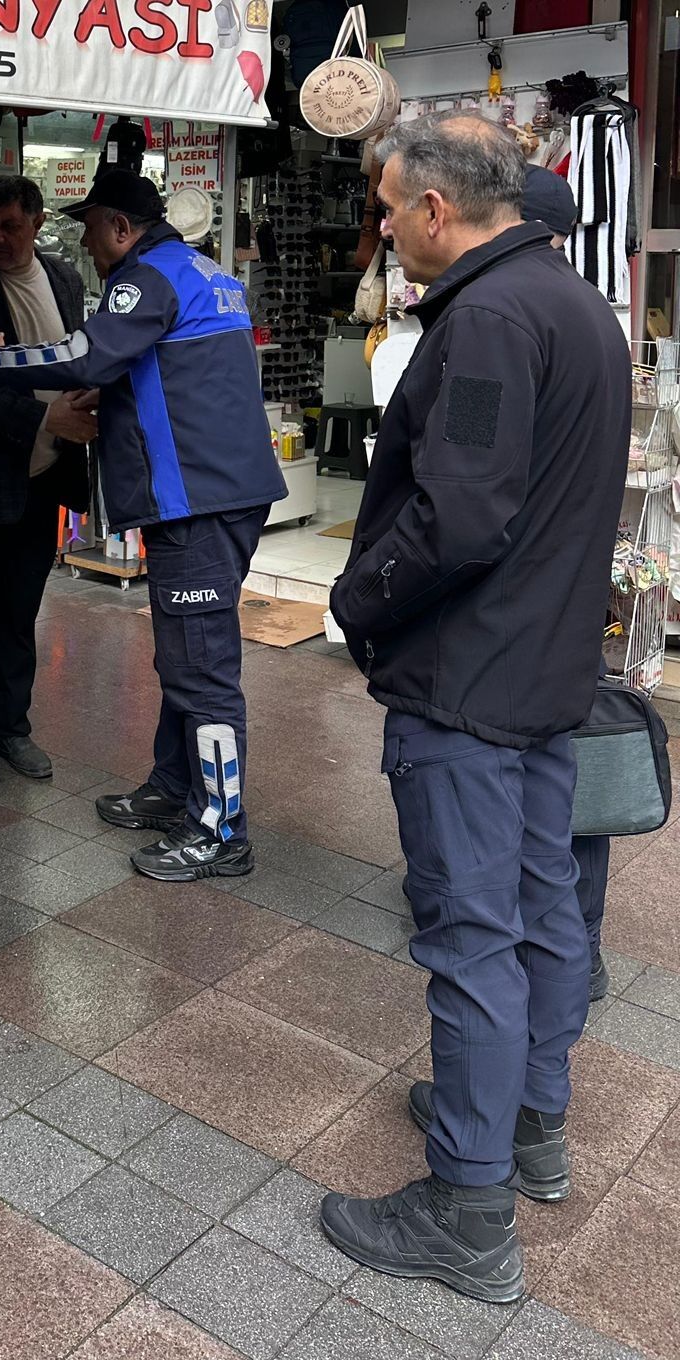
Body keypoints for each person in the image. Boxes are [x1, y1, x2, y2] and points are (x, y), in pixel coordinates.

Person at [323, 114, 629, 1303]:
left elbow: (463, 513)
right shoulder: (572, 303)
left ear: (437, 211)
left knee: (475, 934)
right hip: (546, 670)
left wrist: (359, 600)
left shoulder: (493, 318)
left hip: (477, 683)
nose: (384, 228)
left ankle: (467, 1206)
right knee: (546, 909)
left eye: (389, 209)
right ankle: (526, 1125)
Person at [0, 170, 285, 880]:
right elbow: (165, 371)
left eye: (89, 226)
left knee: (202, 670)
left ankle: (221, 828)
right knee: (183, 658)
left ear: (120, 227)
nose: (82, 241)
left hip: (198, 502)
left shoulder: (149, 278)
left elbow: (84, 352)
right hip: (219, 493)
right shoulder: (204, 270)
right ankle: (176, 788)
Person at [0, 176, 96, 786]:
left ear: (35, 223)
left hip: (48, 473)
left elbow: (75, 355)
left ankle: (13, 727)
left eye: (10, 226)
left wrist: (87, 401)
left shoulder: (65, 279)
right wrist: (41, 415)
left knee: (22, 606)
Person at [521, 162, 615, 1004]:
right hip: (576, 599)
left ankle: (568, 948)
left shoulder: (514, 315)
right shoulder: (595, 315)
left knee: (547, 799)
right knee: (569, 786)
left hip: (530, 611)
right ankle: (580, 939)